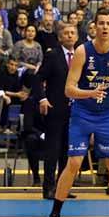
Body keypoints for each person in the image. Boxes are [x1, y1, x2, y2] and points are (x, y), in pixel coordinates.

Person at [46, 10, 109, 217]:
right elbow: (68, 89)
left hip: (107, 115)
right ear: (94, 27)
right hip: (82, 113)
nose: (105, 27)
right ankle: (54, 214)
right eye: (101, 23)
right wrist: (90, 93)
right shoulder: (82, 51)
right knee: (74, 163)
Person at [34, 23, 77, 199]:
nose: (69, 35)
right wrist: (42, 98)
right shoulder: (53, 55)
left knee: (68, 152)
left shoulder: (82, 56)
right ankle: (48, 188)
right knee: (53, 151)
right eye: (66, 33)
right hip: (55, 110)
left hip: (75, 112)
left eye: (72, 33)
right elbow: (38, 79)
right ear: (60, 37)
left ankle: (63, 187)